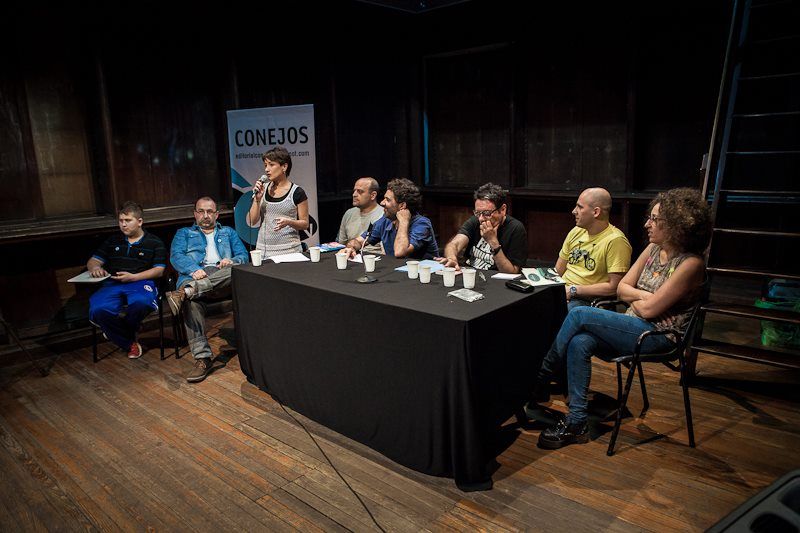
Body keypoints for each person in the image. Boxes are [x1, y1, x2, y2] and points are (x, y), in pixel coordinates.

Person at [530, 187, 712, 450]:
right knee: (581, 340)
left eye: (655, 219)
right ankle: (577, 421)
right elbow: (624, 289)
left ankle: (540, 376)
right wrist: (646, 297)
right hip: (634, 325)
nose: (647, 223)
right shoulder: (652, 249)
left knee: (579, 313)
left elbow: (647, 311)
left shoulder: (691, 264)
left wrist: (638, 300)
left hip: (659, 337)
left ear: (675, 225)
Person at [166, 197, 248, 383]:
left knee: (233, 271)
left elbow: (243, 256)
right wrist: (193, 269)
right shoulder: (184, 233)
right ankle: (203, 359)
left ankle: (186, 292)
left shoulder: (228, 232)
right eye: (201, 211)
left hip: (222, 280)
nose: (205, 215)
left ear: (216, 214)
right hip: (193, 276)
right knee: (190, 302)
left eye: (209, 211)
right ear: (195, 214)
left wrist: (232, 261)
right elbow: (176, 256)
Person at [87, 201, 166, 359]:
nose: (123, 225)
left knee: (142, 303)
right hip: (112, 283)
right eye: (121, 221)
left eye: (128, 220)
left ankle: (116, 331)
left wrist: (134, 277)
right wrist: (95, 268)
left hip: (141, 282)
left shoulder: (155, 242)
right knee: (98, 309)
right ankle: (129, 342)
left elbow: (159, 270)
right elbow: (93, 261)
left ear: (139, 222)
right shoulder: (113, 240)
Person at [557, 188, 632, 310]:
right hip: (564, 291)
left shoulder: (615, 241)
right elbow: (558, 271)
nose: (574, 211)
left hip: (586, 299)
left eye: (580, 207)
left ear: (596, 212)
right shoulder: (576, 231)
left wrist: (573, 290)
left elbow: (614, 287)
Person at [438, 182, 527, 274]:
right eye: (477, 213)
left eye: (487, 213)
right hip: (470, 274)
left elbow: (512, 272)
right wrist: (451, 258)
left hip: (495, 280)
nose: (481, 219)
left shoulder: (515, 228)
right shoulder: (475, 221)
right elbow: (454, 244)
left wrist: (493, 242)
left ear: (502, 209)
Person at [344, 178, 439, 260]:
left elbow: (400, 252)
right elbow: (360, 241)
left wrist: (403, 221)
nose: (382, 203)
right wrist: (351, 247)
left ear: (402, 206)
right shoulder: (386, 220)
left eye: (387, 200)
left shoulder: (422, 224)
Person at [246, 146, 310, 258]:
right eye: (265, 165)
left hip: (289, 251)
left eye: (271, 164)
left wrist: (289, 222)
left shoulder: (297, 192)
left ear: (284, 166)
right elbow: (252, 221)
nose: (266, 169)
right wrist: (257, 199)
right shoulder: (263, 189)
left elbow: (305, 223)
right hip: (263, 252)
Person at [337, 177, 384, 254]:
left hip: (374, 259)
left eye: (360, 191)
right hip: (351, 255)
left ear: (373, 195)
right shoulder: (349, 213)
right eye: (354, 191)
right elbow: (341, 244)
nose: (354, 195)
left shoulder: (384, 215)